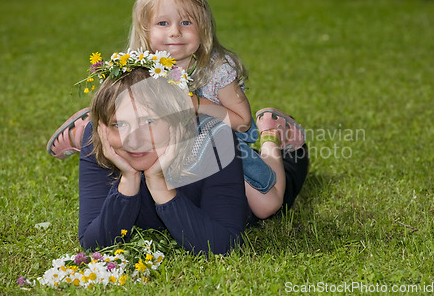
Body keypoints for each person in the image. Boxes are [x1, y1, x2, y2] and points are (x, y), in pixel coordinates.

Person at [47, 0, 306, 219]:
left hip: (217, 144)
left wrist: (196, 105)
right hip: (162, 146)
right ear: (145, 29)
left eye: (186, 22)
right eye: (163, 23)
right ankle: (91, 134)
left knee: (267, 206)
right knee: (131, 163)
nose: (174, 32)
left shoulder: (216, 69)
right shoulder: (138, 68)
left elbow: (241, 122)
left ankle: (271, 136)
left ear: (203, 26)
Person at [77, 51, 309, 255]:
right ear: (103, 127)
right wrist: (129, 181)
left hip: (236, 172)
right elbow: (95, 243)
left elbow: (222, 246)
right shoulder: (98, 137)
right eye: (120, 124)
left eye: (148, 121)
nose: (134, 141)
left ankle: (272, 138)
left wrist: (159, 185)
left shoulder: (216, 140)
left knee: (274, 188)